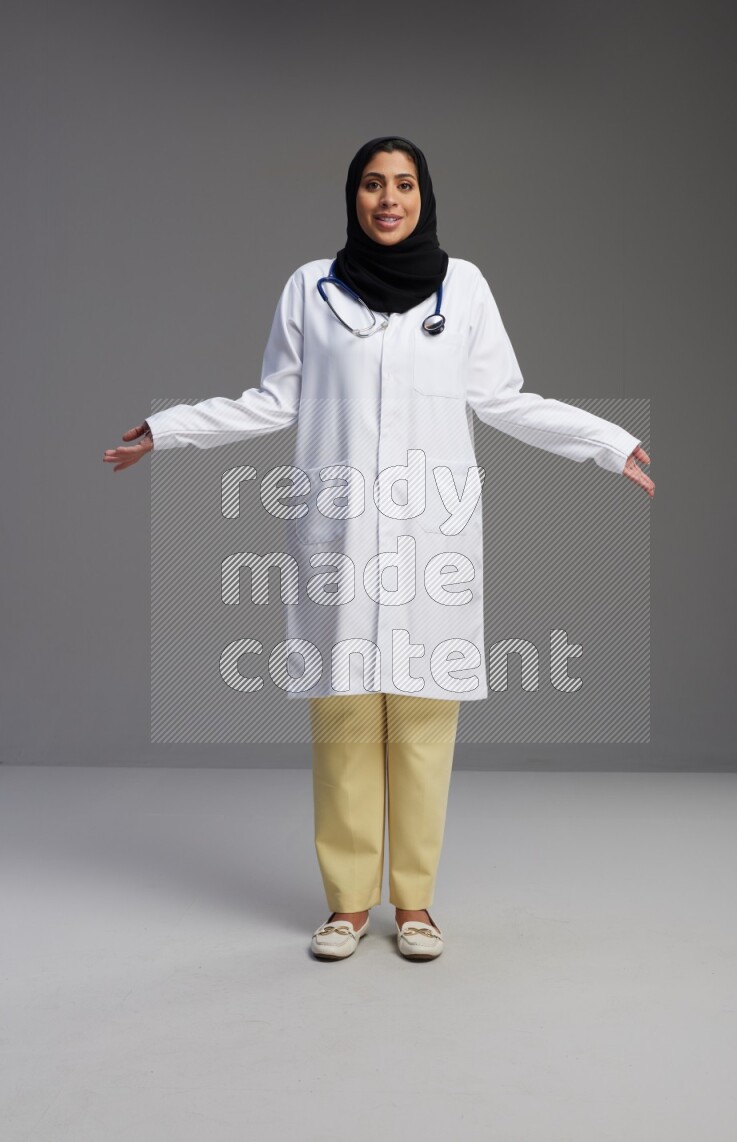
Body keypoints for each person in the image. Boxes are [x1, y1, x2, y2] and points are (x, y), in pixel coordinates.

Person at [104, 135, 654, 963]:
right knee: (346, 725)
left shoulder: (462, 288)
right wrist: (169, 430)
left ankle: (418, 905)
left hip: (431, 540)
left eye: (402, 184)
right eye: (372, 184)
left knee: (426, 727)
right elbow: (270, 400)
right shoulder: (310, 290)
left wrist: (607, 443)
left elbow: (505, 400)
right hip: (341, 542)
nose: (387, 199)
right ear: (353, 197)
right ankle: (348, 907)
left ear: (424, 195)